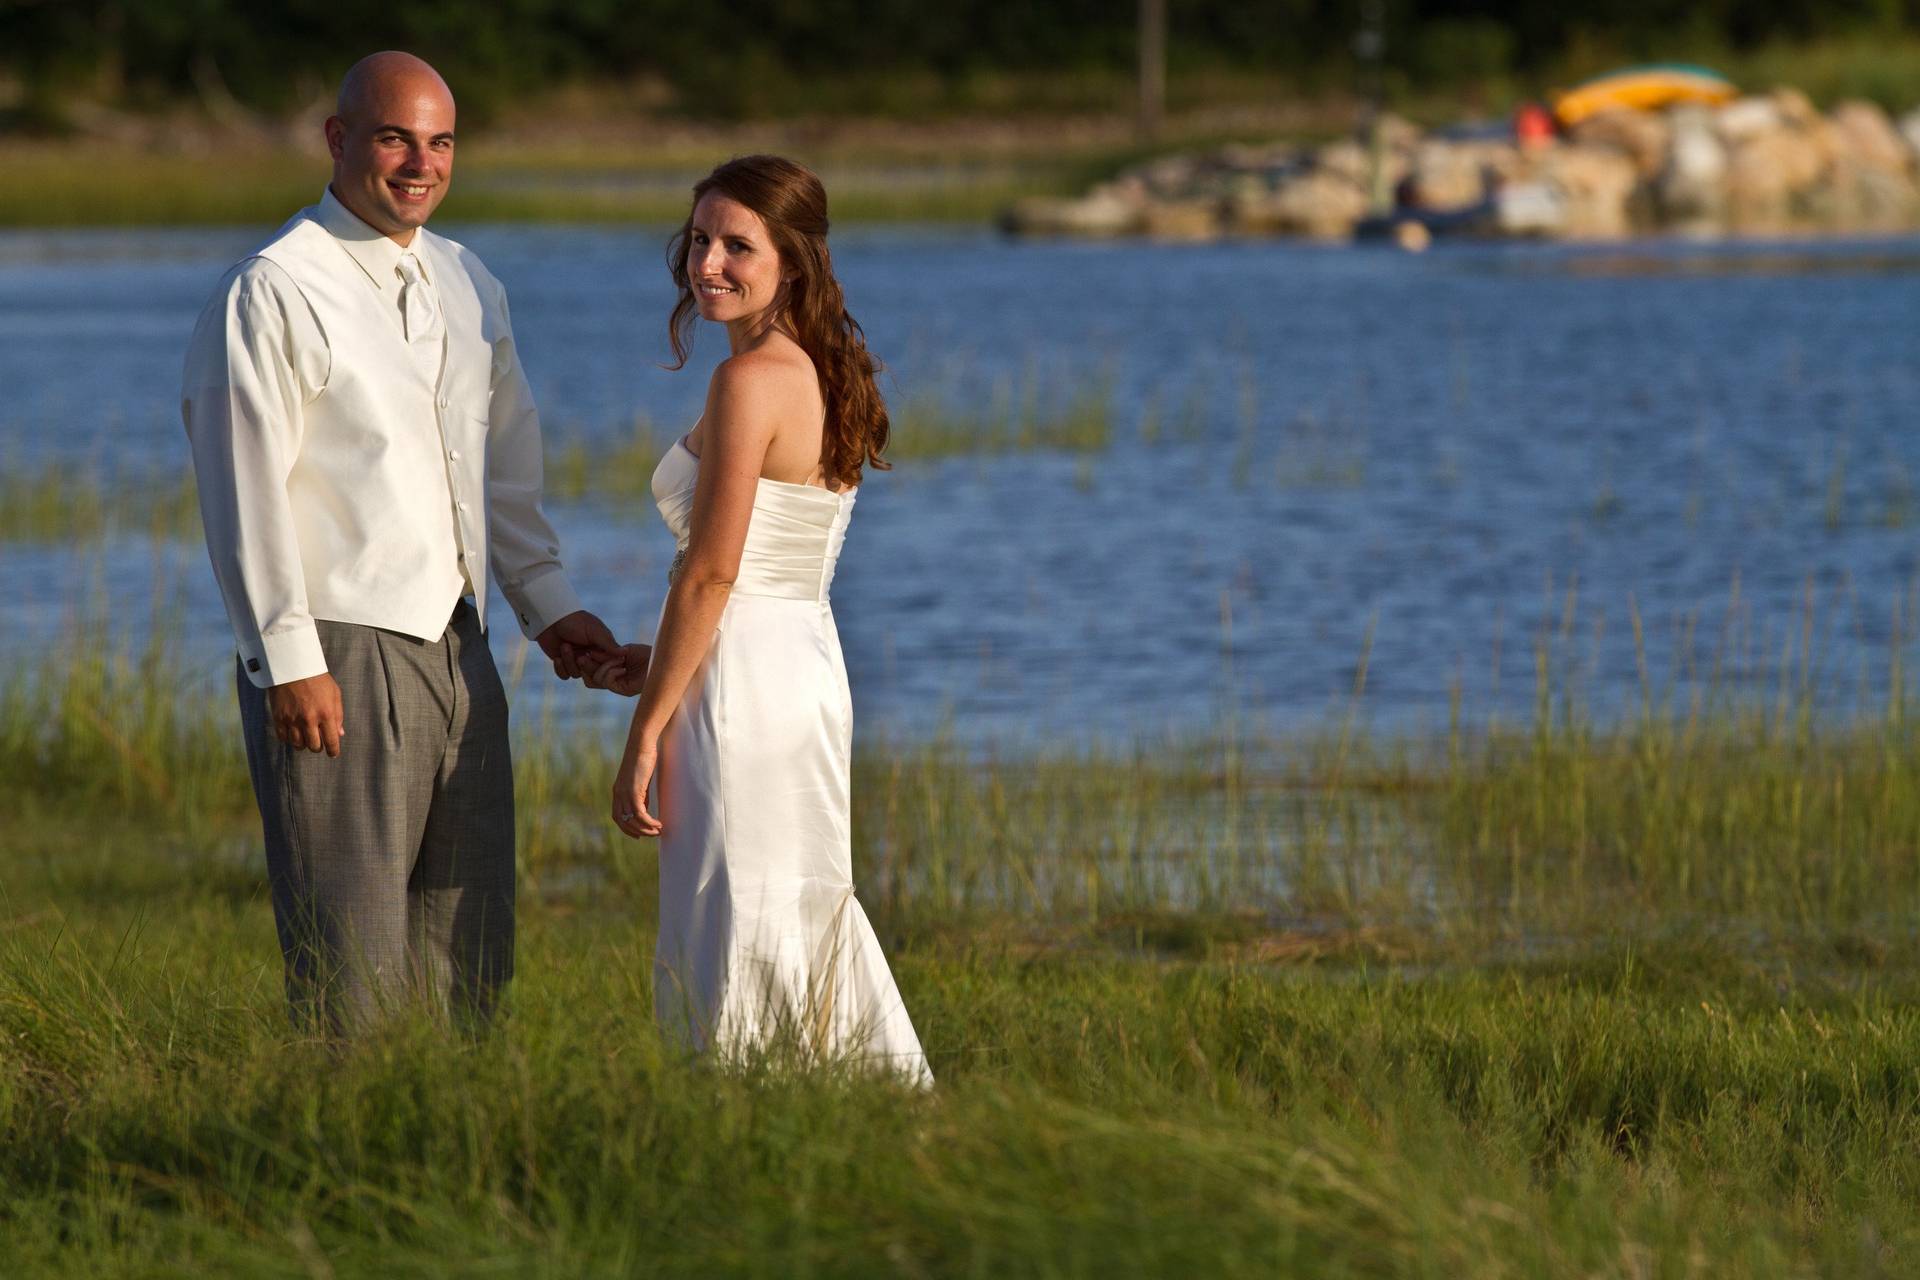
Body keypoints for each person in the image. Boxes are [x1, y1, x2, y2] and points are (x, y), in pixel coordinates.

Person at [181, 51, 619, 1032]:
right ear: (339, 140)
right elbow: (241, 489)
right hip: (335, 652)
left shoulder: (470, 281)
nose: (421, 162)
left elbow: (505, 467)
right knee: (353, 974)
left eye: (440, 141)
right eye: (394, 137)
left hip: (460, 650)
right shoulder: (274, 288)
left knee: (469, 960)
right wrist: (288, 659)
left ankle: (452, 1162)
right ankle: (339, 1168)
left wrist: (545, 605)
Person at [588, 155, 932, 1085]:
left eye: (738, 245)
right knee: (793, 899)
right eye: (700, 240)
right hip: (802, 668)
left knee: (737, 908)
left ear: (794, 259)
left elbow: (713, 573)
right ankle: (844, 1103)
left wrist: (645, 729)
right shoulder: (828, 370)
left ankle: (745, 1109)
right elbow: (754, 575)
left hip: (743, 686)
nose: (709, 264)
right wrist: (660, 663)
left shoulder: (748, 384)